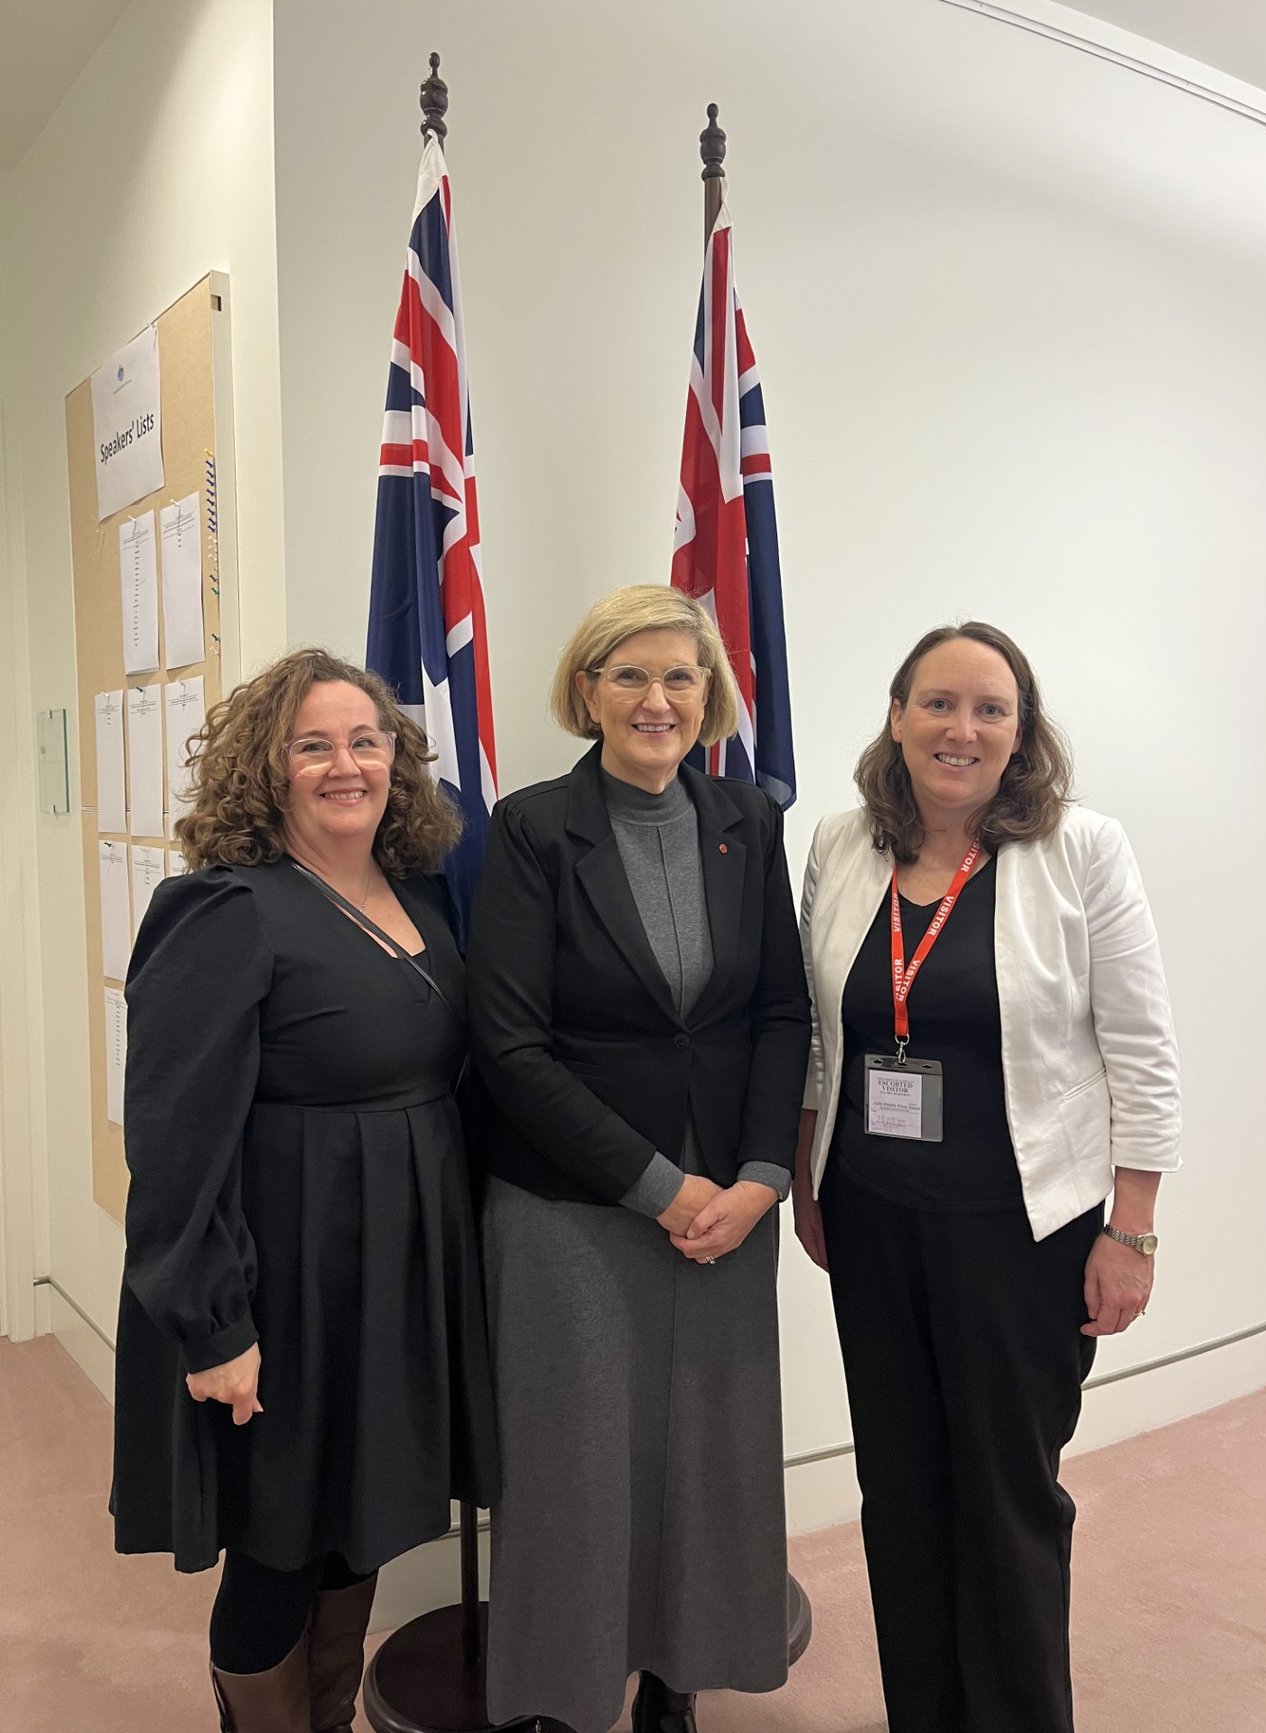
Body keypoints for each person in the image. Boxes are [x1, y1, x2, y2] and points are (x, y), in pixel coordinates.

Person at [793, 622, 1180, 1733]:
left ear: (1021, 729)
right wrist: (814, 1175)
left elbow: (1141, 1047)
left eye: (989, 708)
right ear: (898, 715)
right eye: (937, 703)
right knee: (902, 1491)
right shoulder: (840, 840)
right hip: (871, 1220)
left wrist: (1133, 1226)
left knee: (1007, 1498)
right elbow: (825, 1035)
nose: (961, 728)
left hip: (1023, 1228)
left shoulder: (1080, 848)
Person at [111, 648, 500, 1732]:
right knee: (278, 1542)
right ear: (266, 767)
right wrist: (211, 1322)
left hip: (395, 1264)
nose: (345, 764)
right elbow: (175, 1137)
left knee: (353, 1524)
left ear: (396, 759)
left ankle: (326, 1713)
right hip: (281, 1275)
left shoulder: (420, 890)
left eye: (365, 740)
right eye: (313, 744)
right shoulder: (223, 907)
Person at [467, 586, 810, 1733]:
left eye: (682, 676)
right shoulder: (528, 828)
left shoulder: (748, 818)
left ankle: (680, 1679)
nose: (658, 698)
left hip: (730, 1200)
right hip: (573, 1202)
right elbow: (507, 1044)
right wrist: (659, 1185)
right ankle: (564, 1693)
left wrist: (761, 1176)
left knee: (711, 1457)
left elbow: (779, 1012)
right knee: (573, 1472)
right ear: (586, 692)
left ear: (709, 696)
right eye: (631, 675)